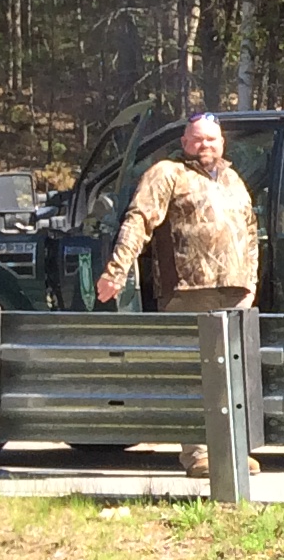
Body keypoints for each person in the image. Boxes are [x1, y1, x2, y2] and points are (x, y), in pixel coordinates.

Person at [94, 111, 261, 476]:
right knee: (195, 375)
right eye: (198, 139)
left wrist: (251, 284)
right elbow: (138, 220)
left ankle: (233, 451)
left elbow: (250, 234)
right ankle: (198, 455)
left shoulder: (233, 180)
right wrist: (116, 271)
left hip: (234, 292)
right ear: (184, 143)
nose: (206, 145)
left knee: (235, 373)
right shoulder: (167, 173)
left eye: (212, 139)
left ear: (223, 143)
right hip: (187, 291)